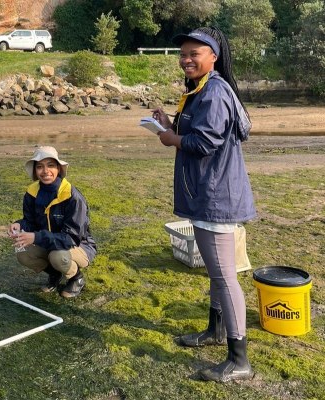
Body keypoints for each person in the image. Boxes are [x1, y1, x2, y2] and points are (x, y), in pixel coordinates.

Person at [152, 27, 256, 382]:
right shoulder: (202, 91)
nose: (186, 60)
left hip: (216, 198)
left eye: (194, 53)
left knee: (226, 277)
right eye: (182, 54)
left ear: (213, 56)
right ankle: (214, 331)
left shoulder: (214, 92)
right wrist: (168, 124)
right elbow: (198, 132)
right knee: (217, 273)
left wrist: (171, 139)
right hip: (206, 195)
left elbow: (205, 142)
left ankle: (239, 360)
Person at [8, 146, 96, 298]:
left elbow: (71, 238)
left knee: (57, 256)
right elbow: (31, 222)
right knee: (23, 253)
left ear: (59, 169)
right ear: (35, 171)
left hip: (79, 246)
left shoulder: (72, 196)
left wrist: (36, 238)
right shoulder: (32, 192)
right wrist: (20, 225)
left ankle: (76, 278)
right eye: (40, 167)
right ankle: (55, 275)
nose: (45, 171)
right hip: (49, 242)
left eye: (50, 165)